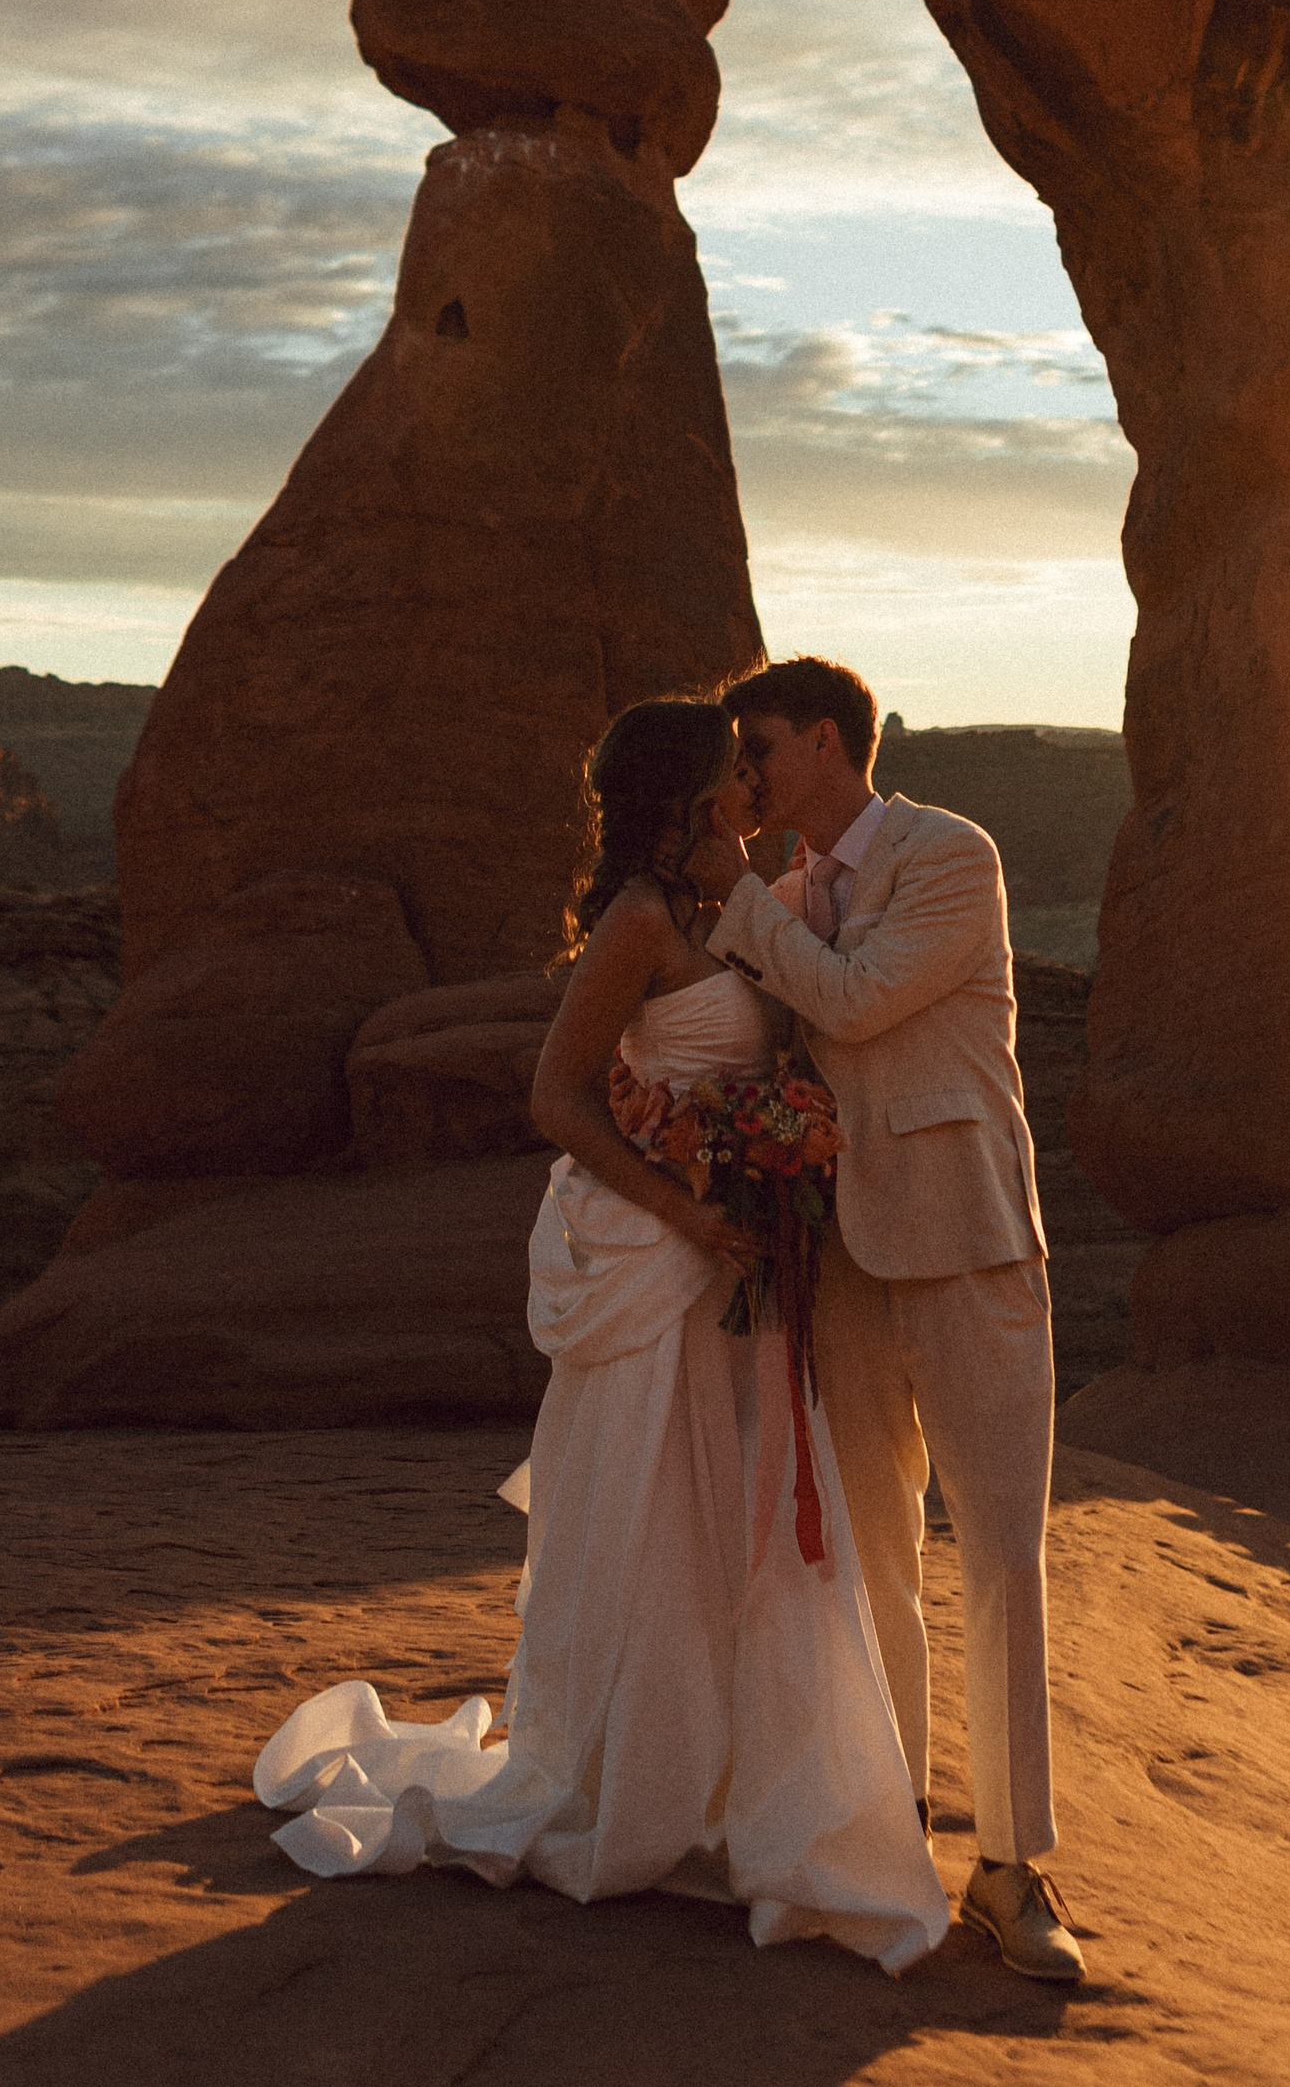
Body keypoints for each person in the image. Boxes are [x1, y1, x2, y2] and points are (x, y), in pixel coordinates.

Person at [251, 697, 948, 1974]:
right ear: (683, 795)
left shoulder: (744, 902)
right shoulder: (636, 920)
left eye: (759, 765)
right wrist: (691, 1203)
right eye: (732, 774)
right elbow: (556, 1095)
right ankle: (639, 1785)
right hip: (655, 1253)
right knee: (653, 1514)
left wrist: (771, 1168)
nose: (751, 785)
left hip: (743, 1250)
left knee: (745, 1509)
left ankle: (756, 1788)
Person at [707, 656, 1084, 1985]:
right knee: (870, 1564)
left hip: (973, 1244)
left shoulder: (949, 854)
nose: (746, 772)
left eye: (760, 747)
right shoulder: (787, 898)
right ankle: (890, 1839)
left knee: (998, 1558)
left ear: (827, 741)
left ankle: (1015, 1868)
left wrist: (741, 902)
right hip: (844, 1261)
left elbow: (862, 1004)